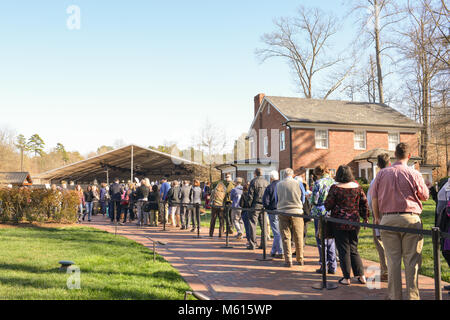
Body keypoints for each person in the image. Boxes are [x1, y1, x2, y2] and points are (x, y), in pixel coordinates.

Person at [370, 142, 429, 300]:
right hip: (410, 218)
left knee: (393, 260)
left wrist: (377, 217)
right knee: (412, 260)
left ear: (395, 155)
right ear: (409, 156)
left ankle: (395, 296)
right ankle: (412, 296)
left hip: (387, 218)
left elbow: (374, 197)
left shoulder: (382, 174)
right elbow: (425, 196)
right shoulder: (413, 173)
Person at [325, 165, 369, 285]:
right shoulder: (358, 187)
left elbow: (328, 205)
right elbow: (364, 204)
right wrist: (365, 218)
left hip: (339, 222)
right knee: (354, 248)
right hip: (354, 222)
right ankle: (361, 276)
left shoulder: (335, 188)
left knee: (343, 249)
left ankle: (346, 278)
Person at [367, 153, 391, 282]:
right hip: (395, 212)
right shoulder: (395, 176)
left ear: (377, 165)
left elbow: (370, 200)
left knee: (381, 243)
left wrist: (374, 215)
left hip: (380, 214)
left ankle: (386, 271)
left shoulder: (376, 180)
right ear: (390, 163)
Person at [309, 165, 337, 274]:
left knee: (321, 239)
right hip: (331, 213)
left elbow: (314, 200)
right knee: (331, 239)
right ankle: (333, 266)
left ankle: (323, 265)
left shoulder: (318, 183)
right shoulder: (333, 182)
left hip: (320, 212)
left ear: (317, 173)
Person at [276, 168, 305, 267]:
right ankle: (300, 258)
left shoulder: (278, 184)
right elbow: (303, 197)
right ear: (292, 174)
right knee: (298, 236)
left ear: (284, 174)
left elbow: (277, 198)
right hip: (296, 211)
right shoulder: (298, 183)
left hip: (282, 211)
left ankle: (288, 260)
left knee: (285, 236)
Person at [247, 168, 269, 250]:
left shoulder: (254, 181)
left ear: (255, 173)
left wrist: (249, 205)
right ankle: (264, 244)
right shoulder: (266, 182)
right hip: (263, 205)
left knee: (253, 224)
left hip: (255, 205)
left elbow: (250, 195)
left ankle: (252, 244)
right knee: (264, 225)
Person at [262, 170, 283, 258]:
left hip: (273, 210)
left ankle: (281, 251)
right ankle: (273, 251)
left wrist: (267, 208)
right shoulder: (282, 185)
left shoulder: (270, 187)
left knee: (277, 232)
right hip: (282, 210)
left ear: (271, 178)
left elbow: (265, 201)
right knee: (278, 232)